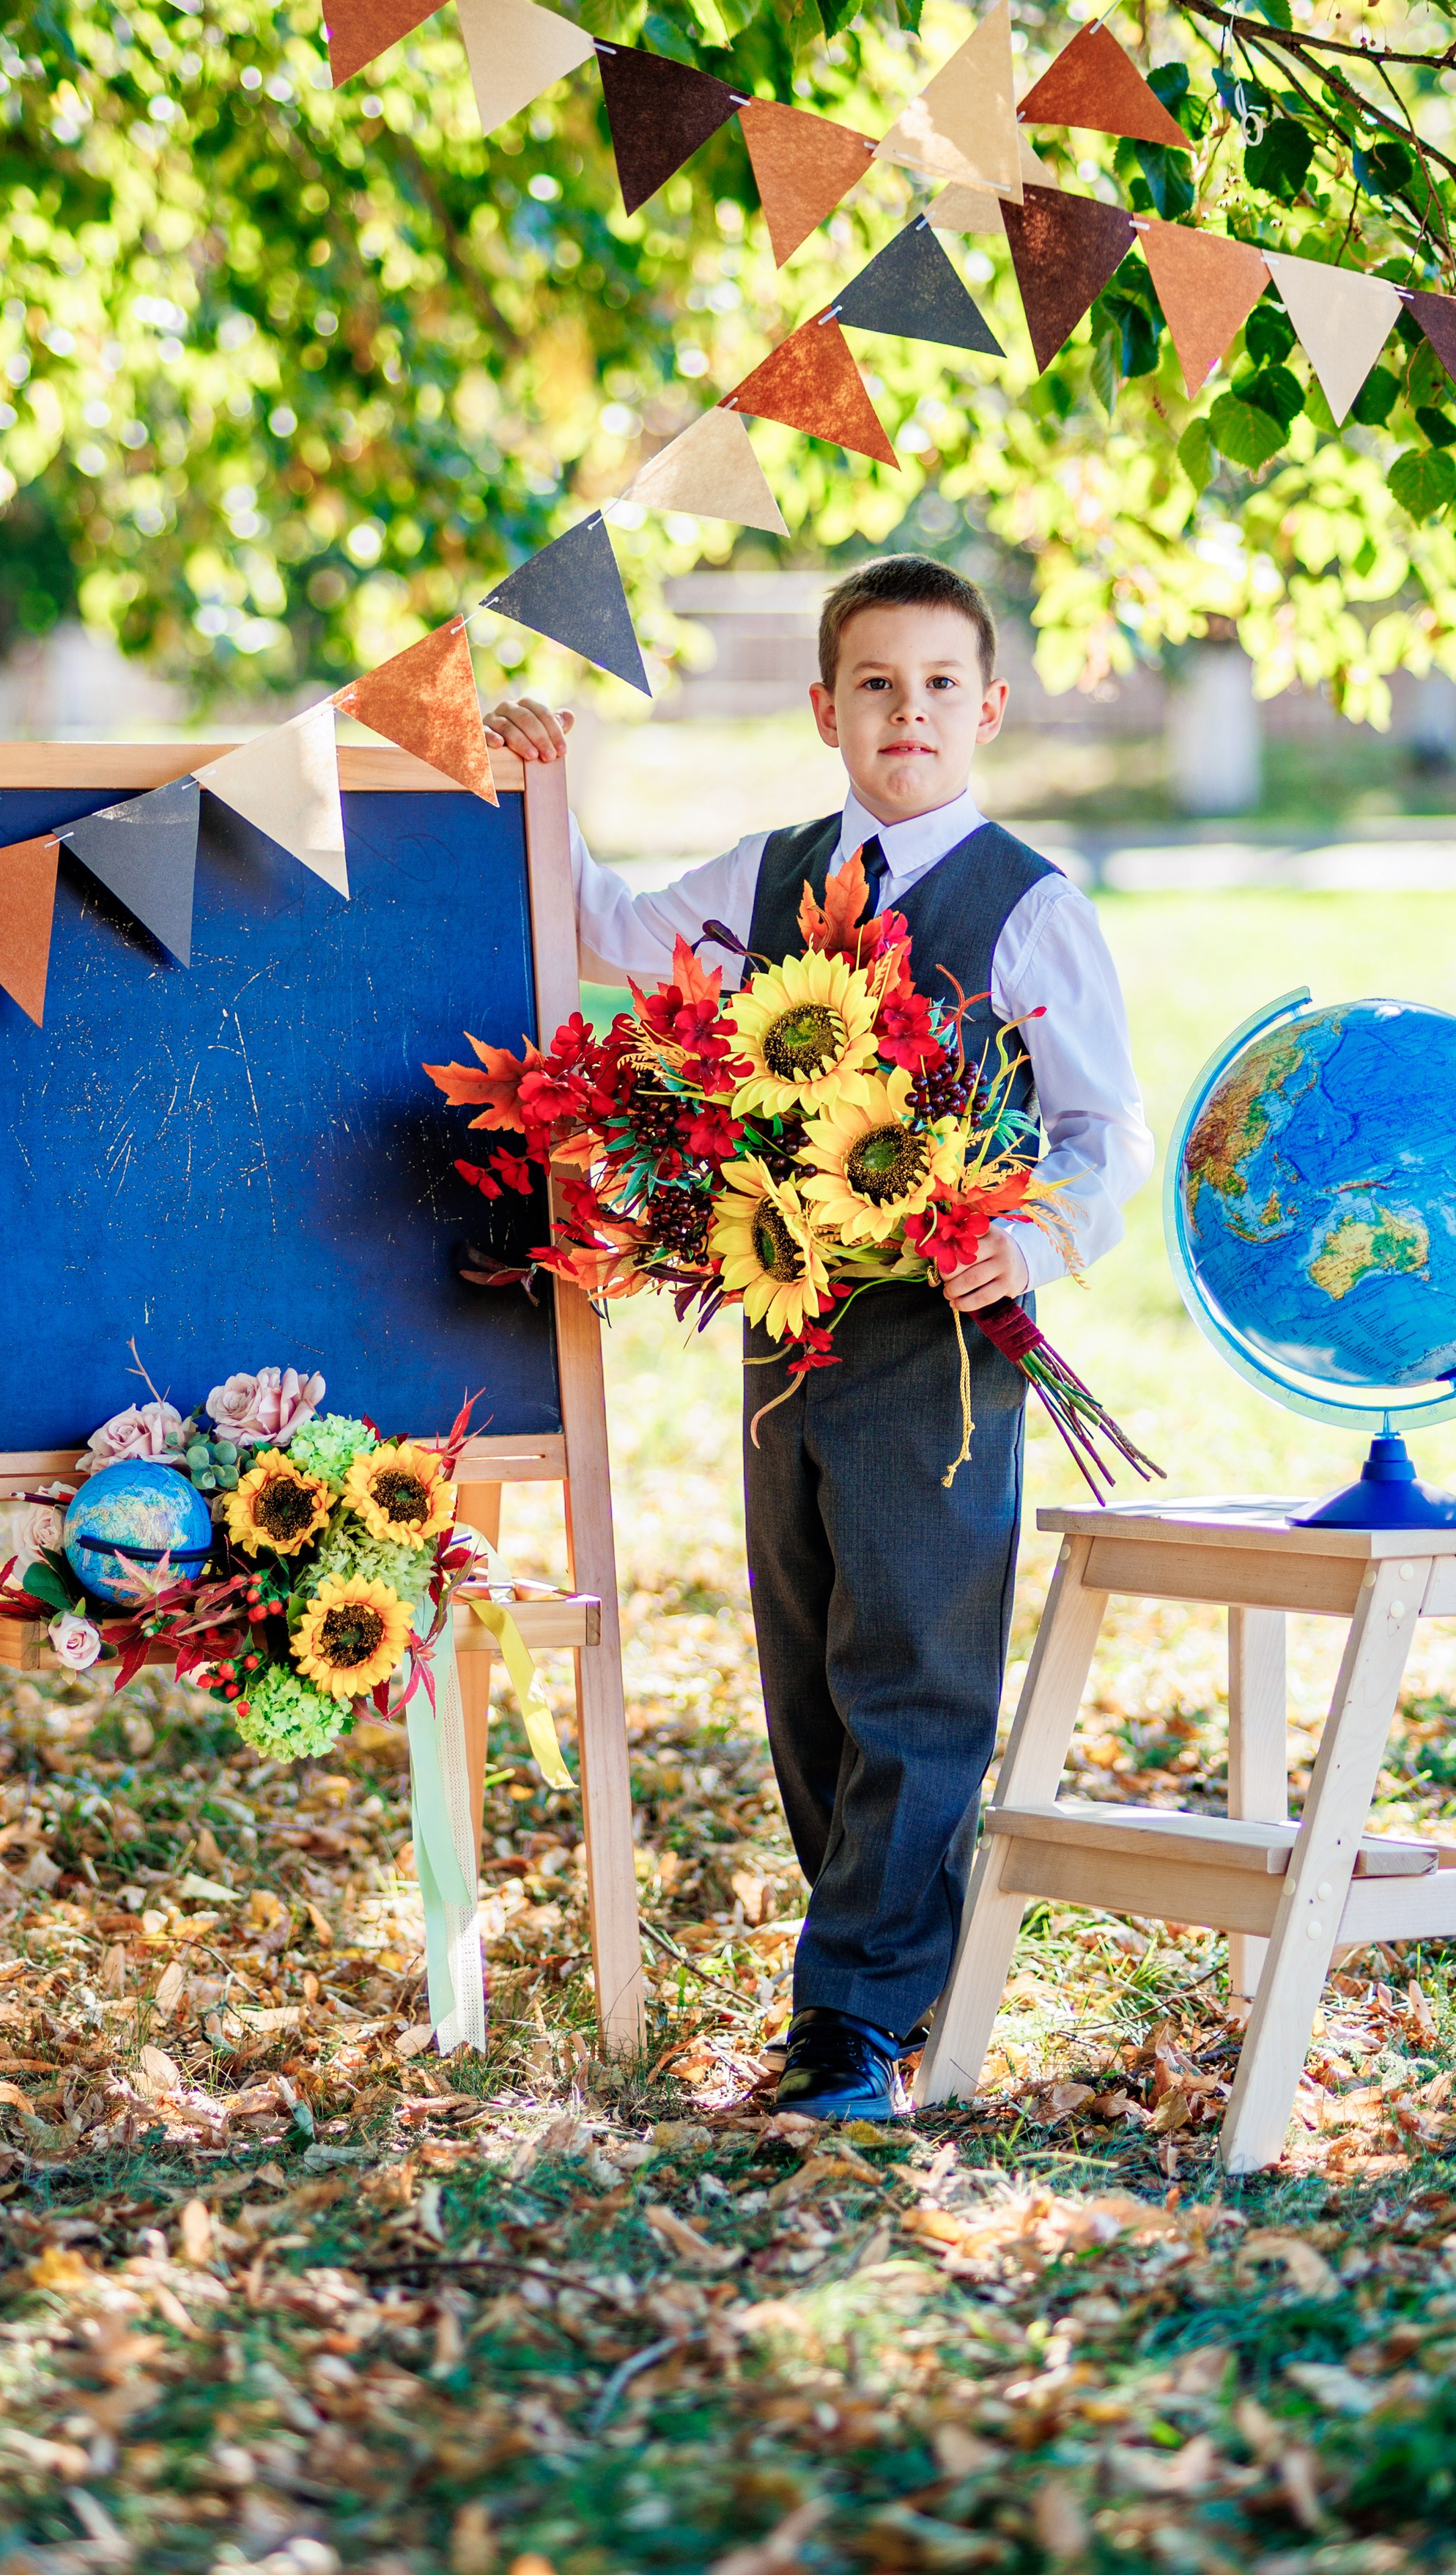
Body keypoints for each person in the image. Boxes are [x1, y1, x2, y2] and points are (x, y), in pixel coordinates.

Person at [484, 555, 1153, 2120]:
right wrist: (543, 783)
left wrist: (1029, 1236)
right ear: (822, 708)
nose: (904, 711)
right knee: (806, 1668)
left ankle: (850, 2016)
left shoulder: (1026, 907)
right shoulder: (768, 870)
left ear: (984, 708)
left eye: (936, 685)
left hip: (942, 1342)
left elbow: (1100, 1128)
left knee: (912, 1665)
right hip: (784, 1321)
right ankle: (878, 1969)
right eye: (873, 683)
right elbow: (604, 932)